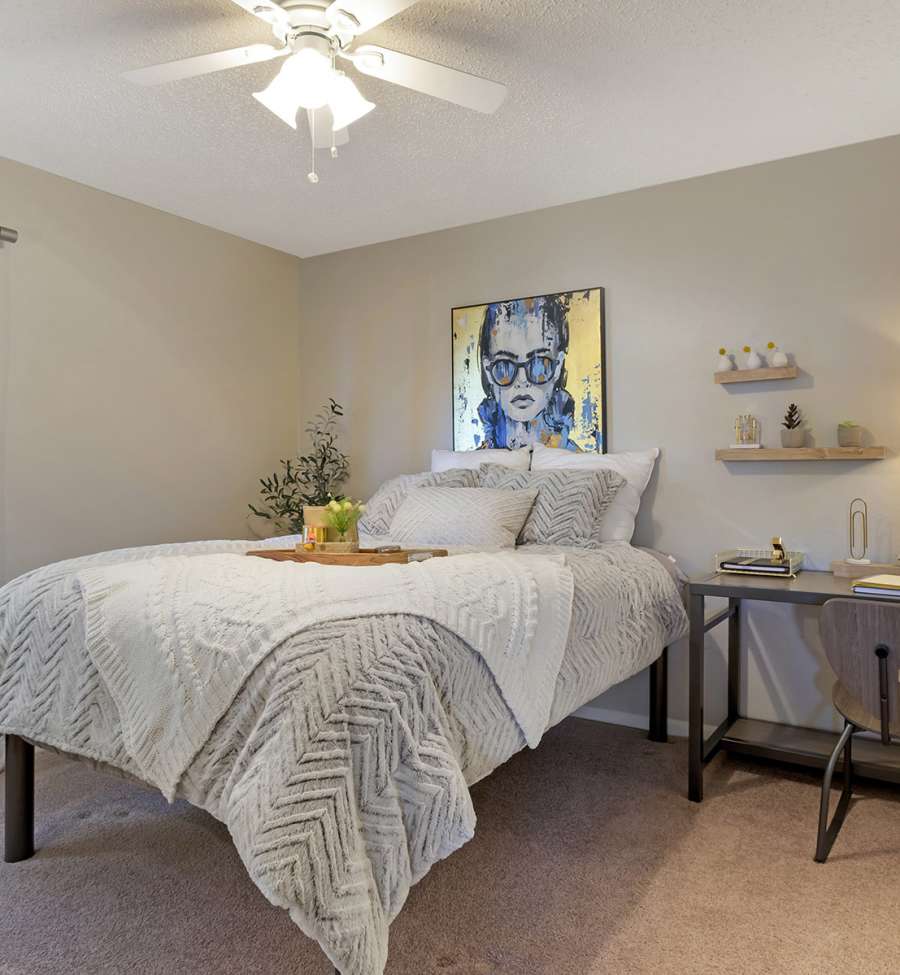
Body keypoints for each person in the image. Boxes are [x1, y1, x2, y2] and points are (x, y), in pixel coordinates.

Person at [477, 294, 578, 450]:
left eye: (539, 365)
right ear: (488, 370)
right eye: (505, 366)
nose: (522, 380)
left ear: (557, 366)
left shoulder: (577, 461)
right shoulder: (478, 463)